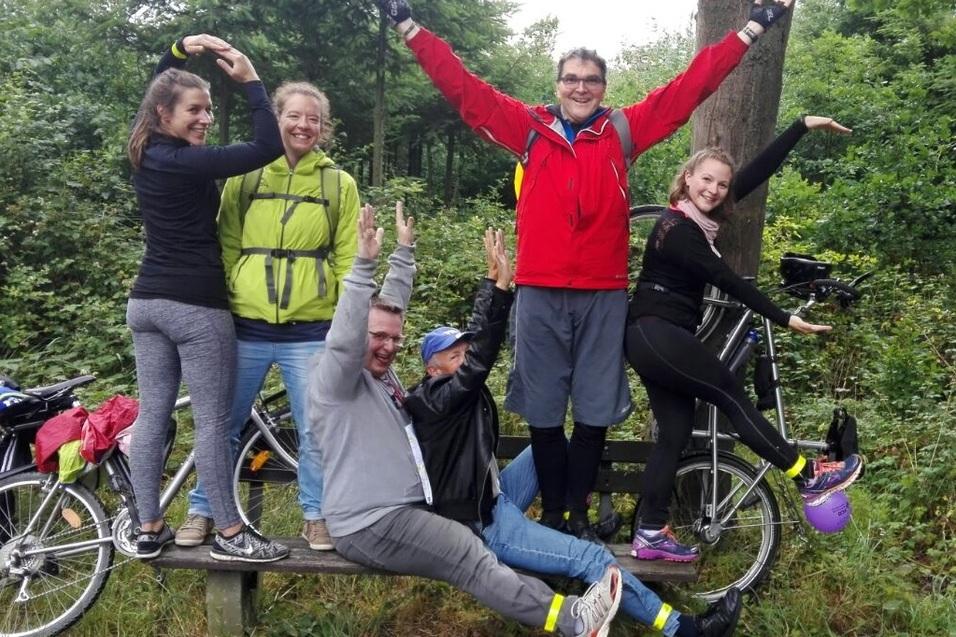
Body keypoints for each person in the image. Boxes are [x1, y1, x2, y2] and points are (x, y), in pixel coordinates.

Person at [378, 0, 796, 540]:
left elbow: (691, 88)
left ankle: (577, 515)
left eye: (591, 80)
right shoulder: (527, 129)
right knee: (546, 415)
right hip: (540, 293)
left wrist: (753, 27)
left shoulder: (622, 133)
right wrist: (407, 24)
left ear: (603, 86)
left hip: (603, 296)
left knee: (595, 413)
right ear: (557, 85)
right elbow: (462, 87)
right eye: (571, 79)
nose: (581, 88)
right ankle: (552, 515)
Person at [404, 229, 743, 637]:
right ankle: (681, 628)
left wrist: (491, 288)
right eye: (452, 356)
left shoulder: (443, 391)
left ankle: (566, 517)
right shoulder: (439, 397)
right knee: (591, 560)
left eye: (463, 352)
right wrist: (497, 290)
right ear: (432, 369)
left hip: (488, 493)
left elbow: (477, 351)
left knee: (550, 447)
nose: (462, 360)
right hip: (484, 523)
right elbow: (480, 358)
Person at [308, 204, 622, 637]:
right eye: (377, 339)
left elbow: (389, 313)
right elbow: (351, 334)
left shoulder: (381, 371)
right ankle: (573, 620)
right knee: (467, 554)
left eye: (395, 341)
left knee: (475, 547)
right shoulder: (337, 378)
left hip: (411, 507)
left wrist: (402, 254)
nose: (388, 347)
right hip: (371, 520)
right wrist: (363, 265)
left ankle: (563, 562)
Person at [625, 116, 863, 561]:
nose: (713, 190)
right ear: (687, 178)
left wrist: (800, 127)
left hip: (656, 338)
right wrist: (785, 317)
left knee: (674, 433)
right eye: (706, 180)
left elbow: (755, 174)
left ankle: (651, 532)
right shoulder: (677, 230)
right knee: (731, 393)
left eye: (721, 184)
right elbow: (726, 279)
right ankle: (806, 473)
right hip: (656, 333)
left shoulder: (699, 221)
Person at [175, 81, 359, 551]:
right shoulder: (246, 175)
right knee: (223, 425)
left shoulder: (339, 184)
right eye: (294, 116)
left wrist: (340, 313)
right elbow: (228, 240)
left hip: (310, 329)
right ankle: (203, 510)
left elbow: (347, 255)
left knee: (315, 429)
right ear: (277, 119)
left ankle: (315, 515)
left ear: (323, 128)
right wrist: (237, 287)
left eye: (313, 119)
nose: (303, 126)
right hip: (245, 326)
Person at [125, 34, 288, 563]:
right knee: (215, 423)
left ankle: (147, 525)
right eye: (195, 110)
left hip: (146, 304)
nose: (205, 119)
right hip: (195, 307)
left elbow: (156, 86)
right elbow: (268, 146)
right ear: (165, 113)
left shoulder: (147, 150)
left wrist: (179, 48)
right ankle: (231, 533)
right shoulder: (185, 162)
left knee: (153, 417)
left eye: (210, 109)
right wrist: (252, 83)